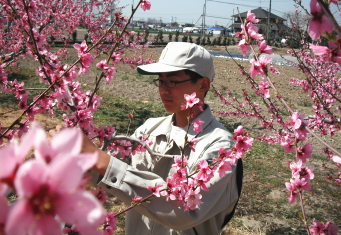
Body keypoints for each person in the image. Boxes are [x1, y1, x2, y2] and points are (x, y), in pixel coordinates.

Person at [83, 42, 242, 235]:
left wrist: (103, 161)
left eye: (172, 81)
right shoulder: (149, 128)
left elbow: (185, 212)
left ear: (203, 85)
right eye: (160, 80)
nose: (163, 90)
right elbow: (110, 177)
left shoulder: (221, 148)